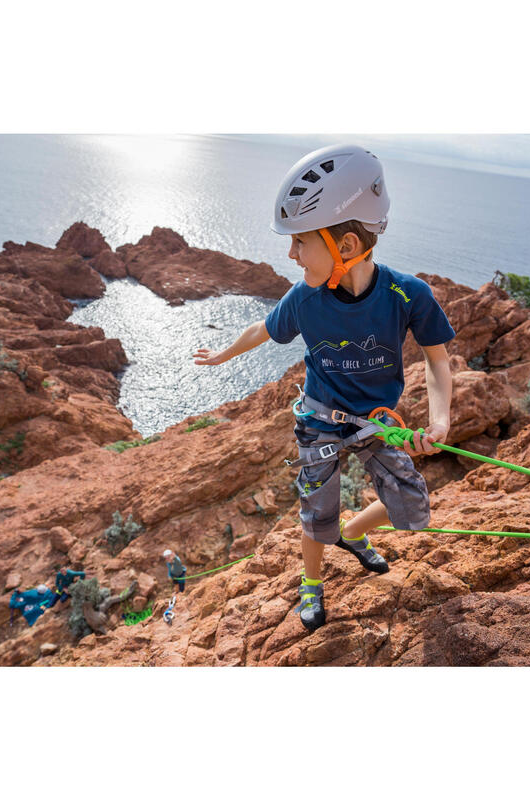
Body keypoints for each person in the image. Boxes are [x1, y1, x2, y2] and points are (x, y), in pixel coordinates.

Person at [193, 144, 455, 633]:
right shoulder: (304, 298)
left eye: (300, 242)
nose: (291, 255)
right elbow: (262, 329)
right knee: (318, 513)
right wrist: (222, 354)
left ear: (348, 247)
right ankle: (311, 583)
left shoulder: (408, 294)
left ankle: (354, 535)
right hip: (319, 423)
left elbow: (436, 361)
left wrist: (439, 422)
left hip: (376, 422)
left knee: (412, 508)